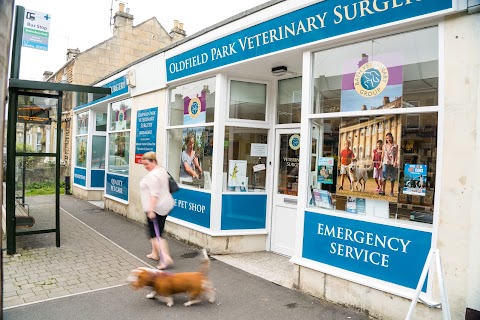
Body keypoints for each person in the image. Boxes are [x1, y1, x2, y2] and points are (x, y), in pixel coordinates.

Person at [140, 151, 174, 270]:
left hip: (156, 208)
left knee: (155, 235)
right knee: (158, 232)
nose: (145, 167)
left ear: (154, 161)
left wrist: (151, 210)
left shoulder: (153, 176)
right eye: (143, 165)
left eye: (147, 164)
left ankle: (165, 258)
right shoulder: (161, 170)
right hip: (165, 205)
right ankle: (155, 254)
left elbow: (154, 194)